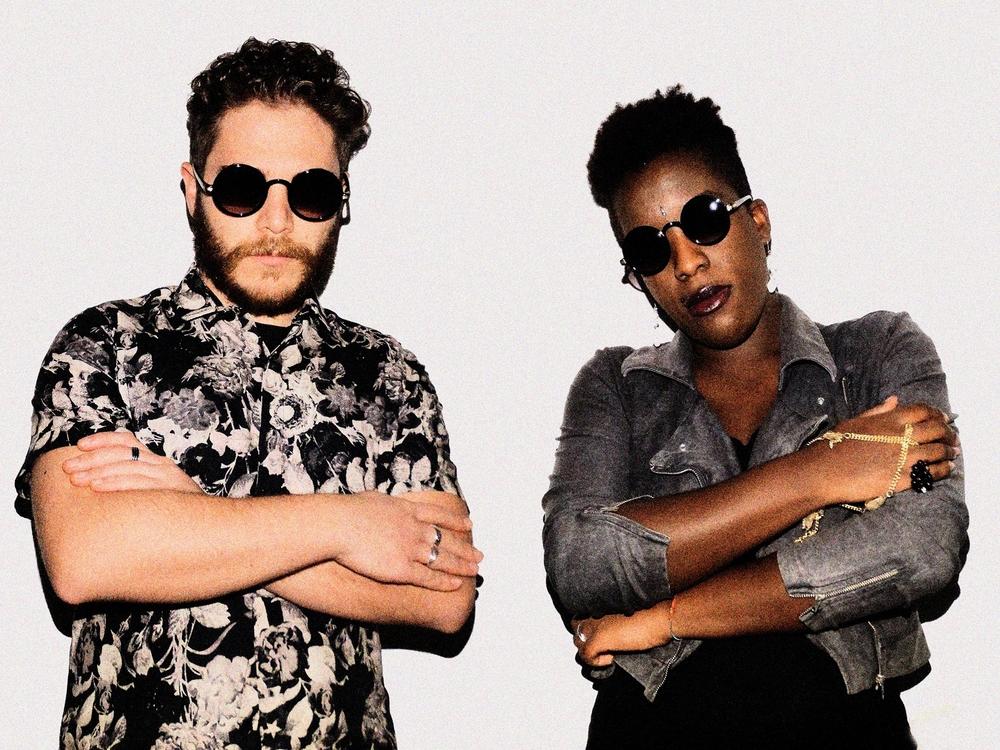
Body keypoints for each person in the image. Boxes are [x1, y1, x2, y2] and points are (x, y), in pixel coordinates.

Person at [16, 38, 482, 749]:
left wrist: (188, 511)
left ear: (342, 203)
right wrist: (350, 527)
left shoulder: (390, 375)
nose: (276, 221)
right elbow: (86, 558)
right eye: (242, 186)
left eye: (310, 191)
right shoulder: (103, 343)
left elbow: (445, 599)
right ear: (191, 189)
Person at [542, 86, 968, 748]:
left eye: (705, 219)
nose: (687, 263)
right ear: (638, 278)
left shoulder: (877, 354)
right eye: (651, 250)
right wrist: (819, 474)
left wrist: (666, 617)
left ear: (759, 222)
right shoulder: (614, 387)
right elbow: (582, 566)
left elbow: (922, 548)